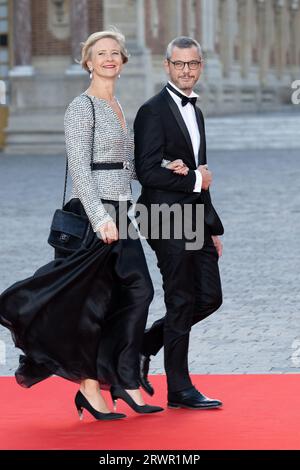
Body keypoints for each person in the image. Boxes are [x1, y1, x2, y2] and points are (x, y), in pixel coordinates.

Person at [0, 30, 164, 421]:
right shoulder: (82, 107)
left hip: (122, 212)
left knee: (135, 294)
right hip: (97, 217)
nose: (109, 59)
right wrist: (100, 217)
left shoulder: (119, 106)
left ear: (123, 61)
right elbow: (80, 168)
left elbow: (122, 168)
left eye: (115, 53)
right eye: (100, 54)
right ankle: (91, 387)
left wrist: (158, 171)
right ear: (88, 62)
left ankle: (122, 379)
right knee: (90, 306)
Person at [134, 36, 224, 410]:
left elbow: (200, 173)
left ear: (200, 66)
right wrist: (191, 179)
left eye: (193, 64)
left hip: (193, 216)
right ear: (166, 66)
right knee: (182, 296)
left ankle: (141, 346)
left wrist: (212, 226)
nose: (186, 70)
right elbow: (145, 169)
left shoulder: (197, 112)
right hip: (161, 214)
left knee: (209, 297)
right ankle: (180, 387)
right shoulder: (152, 111)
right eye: (179, 64)